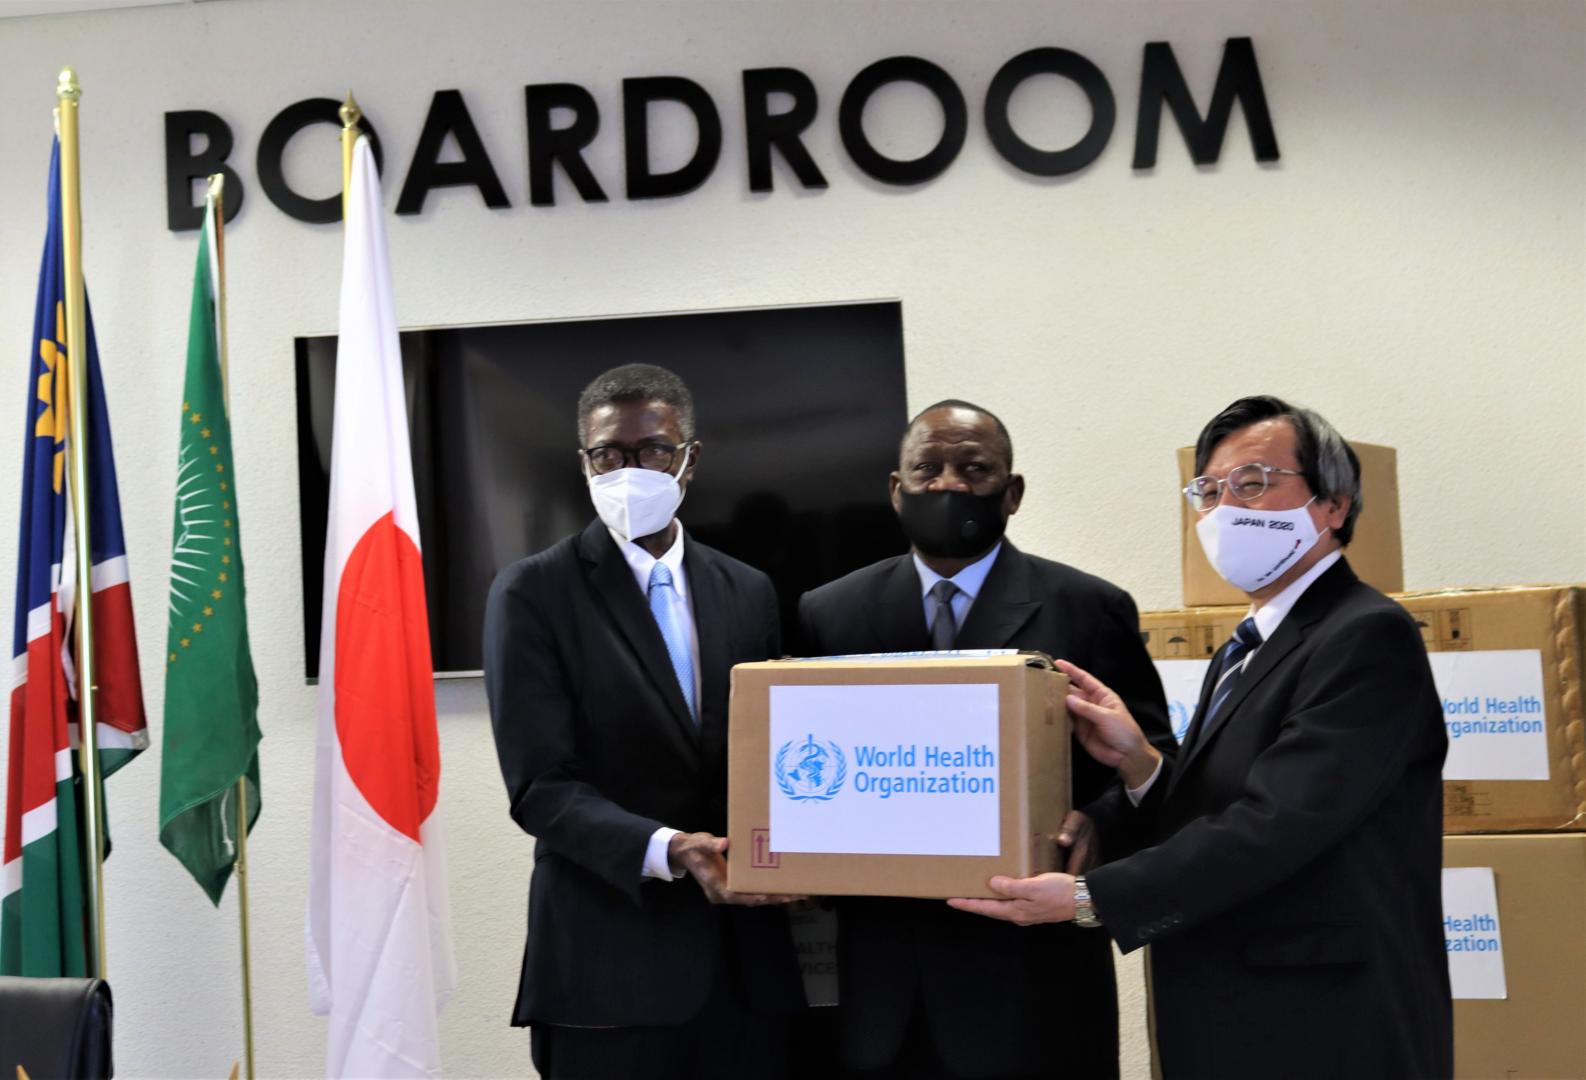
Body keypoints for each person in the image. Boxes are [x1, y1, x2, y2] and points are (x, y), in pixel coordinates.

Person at [950, 396, 1452, 1079]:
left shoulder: (1365, 634)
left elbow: (1276, 825)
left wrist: (1089, 898)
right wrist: (1141, 762)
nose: (1224, 510)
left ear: (1334, 505)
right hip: (1238, 1010)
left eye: (1253, 483)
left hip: (1321, 1023)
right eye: (1208, 491)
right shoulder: (1247, 646)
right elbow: (1225, 801)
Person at [797, 400, 1175, 1080]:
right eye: (927, 469)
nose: (948, 485)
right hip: (887, 988)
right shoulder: (829, 613)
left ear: (1013, 491)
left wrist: (1099, 824)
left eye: (975, 469)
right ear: (896, 489)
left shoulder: (1090, 608)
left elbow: (1155, 761)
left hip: (1035, 978)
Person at [482, 363, 804, 1080]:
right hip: (608, 970)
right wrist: (670, 849)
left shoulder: (748, 590)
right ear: (584, 464)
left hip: (747, 973)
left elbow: (774, 755)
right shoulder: (532, 592)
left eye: (653, 449)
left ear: (690, 458)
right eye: (609, 454)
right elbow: (540, 787)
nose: (630, 471)